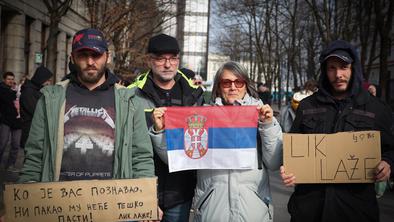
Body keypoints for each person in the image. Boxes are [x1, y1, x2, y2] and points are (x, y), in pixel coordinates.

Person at [150, 61, 283, 221]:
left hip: (253, 210)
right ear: (218, 87)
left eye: (238, 82)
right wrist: (160, 131)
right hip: (212, 210)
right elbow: (179, 157)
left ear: (246, 85)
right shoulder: (202, 117)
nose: (233, 87)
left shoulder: (262, 115)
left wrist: (267, 125)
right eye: (226, 82)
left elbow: (274, 162)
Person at [19, 28, 154, 183]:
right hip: (59, 202)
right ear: (72, 58)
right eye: (83, 55)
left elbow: (141, 157)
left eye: (96, 55)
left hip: (112, 201)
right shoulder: (51, 99)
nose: (90, 62)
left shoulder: (129, 101)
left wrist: (146, 197)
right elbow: (35, 155)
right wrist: (27, 197)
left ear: (107, 57)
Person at [280, 40, 394, 222]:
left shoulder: (376, 108)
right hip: (309, 210)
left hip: (355, 210)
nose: (338, 74)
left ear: (353, 69)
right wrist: (289, 170)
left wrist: (388, 163)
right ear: (325, 72)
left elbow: (390, 148)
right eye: (332, 68)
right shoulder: (307, 106)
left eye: (344, 67)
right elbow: (292, 150)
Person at [128, 33, 204, 222]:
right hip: (140, 190)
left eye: (173, 58)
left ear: (178, 60)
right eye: (161, 59)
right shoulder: (130, 94)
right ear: (149, 60)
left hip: (180, 194)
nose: (168, 64)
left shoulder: (195, 95)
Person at [19, 66, 53, 148]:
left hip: (36, 130)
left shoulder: (37, 89)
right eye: (47, 80)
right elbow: (36, 111)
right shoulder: (29, 91)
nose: (49, 82)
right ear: (41, 78)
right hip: (30, 130)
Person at [0, 72, 22, 172]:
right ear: (4, 79)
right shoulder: (2, 89)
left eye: (12, 79)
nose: (11, 81)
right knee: (2, 143)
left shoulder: (16, 90)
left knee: (16, 144)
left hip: (17, 121)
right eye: (9, 79)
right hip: (5, 120)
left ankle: (10, 164)